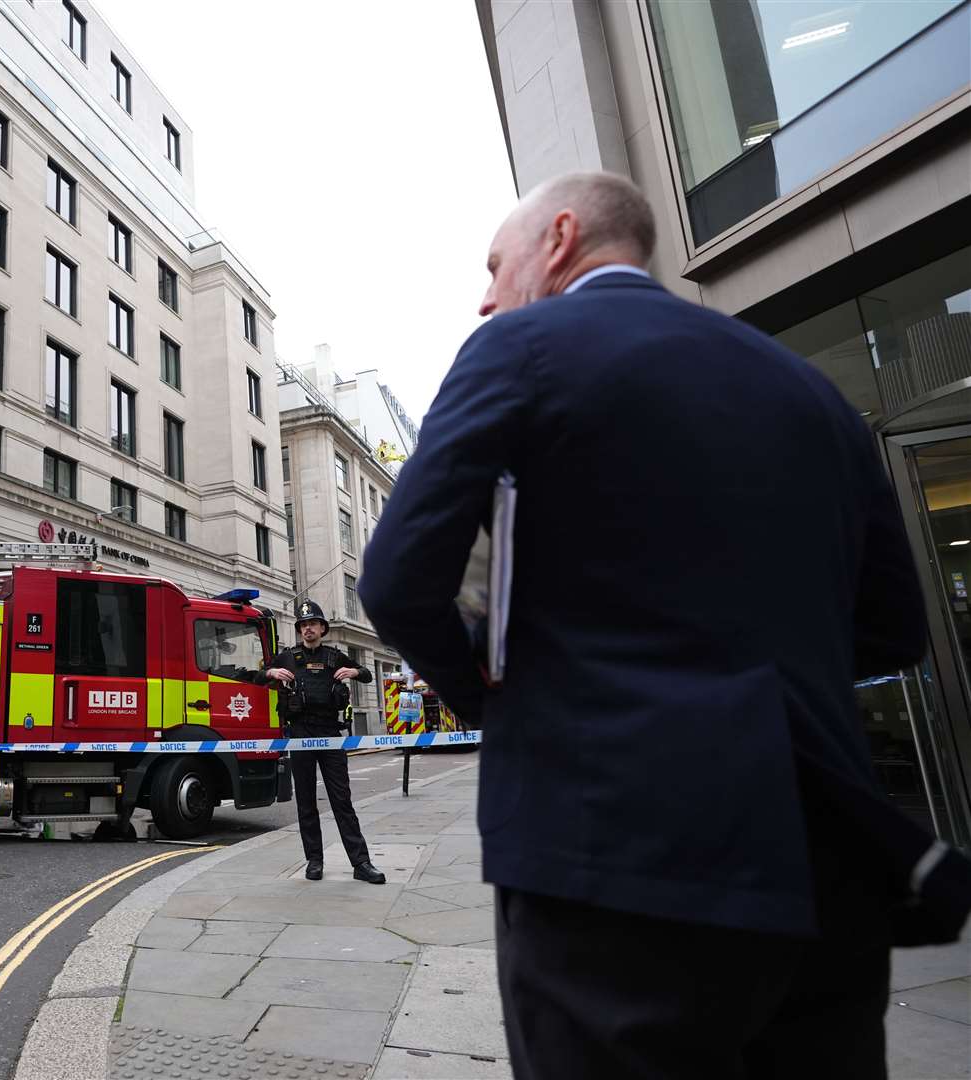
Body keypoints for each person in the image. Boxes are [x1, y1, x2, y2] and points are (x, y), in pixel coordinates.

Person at [358, 171, 969, 1079]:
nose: (486, 295)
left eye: (496, 264)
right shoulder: (813, 394)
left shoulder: (518, 348)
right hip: (824, 861)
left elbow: (401, 580)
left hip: (613, 855)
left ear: (560, 238)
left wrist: (502, 704)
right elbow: (892, 633)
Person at [265, 600, 385, 884]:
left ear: (322, 628)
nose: (308, 629)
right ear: (300, 630)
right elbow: (259, 676)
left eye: (312, 624)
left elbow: (367, 675)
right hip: (300, 734)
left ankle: (361, 863)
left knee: (342, 800)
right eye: (303, 625)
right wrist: (271, 673)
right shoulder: (288, 657)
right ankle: (314, 861)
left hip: (331, 734)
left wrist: (355, 672)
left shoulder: (335, 656)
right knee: (306, 802)